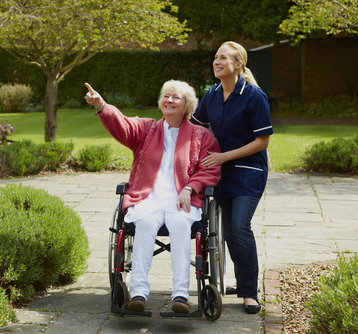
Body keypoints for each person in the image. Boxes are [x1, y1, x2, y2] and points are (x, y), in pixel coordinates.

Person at [84, 80, 221, 312]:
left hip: (182, 201)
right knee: (145, 224)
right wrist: (101, 106)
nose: (169, 100)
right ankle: (138, 294)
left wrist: (190, 188)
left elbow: (210, 169)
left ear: (187, 105)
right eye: (166, 96)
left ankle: (180, 296)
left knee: (179, 225)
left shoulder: (202, 137)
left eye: (175, 97)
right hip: (148, 199)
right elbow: (123, 125)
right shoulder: (146, 129)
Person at [190, 41, 273, 314]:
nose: (217, 61)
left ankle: (250, 293)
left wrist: (224, 156)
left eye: (224, 58)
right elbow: (195, 128)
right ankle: (243, 282)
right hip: (220, 174)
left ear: (238, 64)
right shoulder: (212, 94)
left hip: (249, 173)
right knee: (227, 234)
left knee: (240, 228)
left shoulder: (254, 96)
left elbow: (262, 141)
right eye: (215, 57)